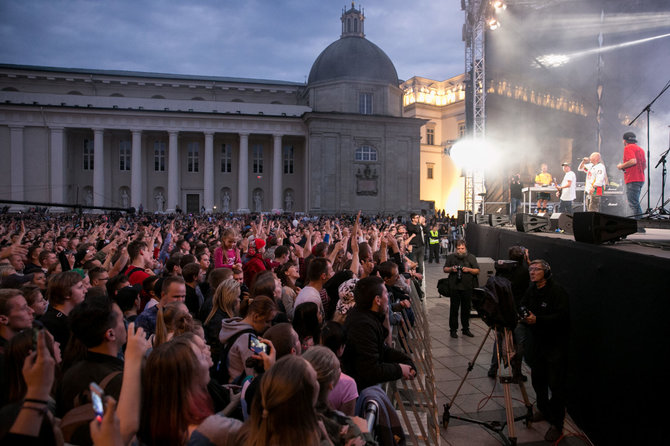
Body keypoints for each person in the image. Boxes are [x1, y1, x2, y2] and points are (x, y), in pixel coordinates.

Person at [519, 260, 570, 443]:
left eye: (536, 270)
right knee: (538, 379)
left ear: (546, 272)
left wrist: (537, 320)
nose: (532, 272)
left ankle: (557, 424)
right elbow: (522, 304)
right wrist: (524, 314)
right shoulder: (531, 289)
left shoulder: (557, 292)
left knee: (555, 385)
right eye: (530, 269)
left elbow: (562, 317)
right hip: (537, 344)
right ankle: (543, 409)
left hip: (555, 344)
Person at [340, 276, 416, 391]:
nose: (388, 298)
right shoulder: (362, 326)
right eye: (386, 294)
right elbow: (371, 370)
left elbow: (382, 349)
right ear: (377, 300)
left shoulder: (368, 316)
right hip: (361, 391)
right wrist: (400, 369)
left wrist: (406, 361)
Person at [443, 239, 480, 338]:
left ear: (466, 248)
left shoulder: (471, 257)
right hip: (454, 287)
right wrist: (452, 269)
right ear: (456, 248)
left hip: (467, 287)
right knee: (454, 309)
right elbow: (445, 269)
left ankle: (465, 329)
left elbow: (477, 270)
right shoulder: (451, 257)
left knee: (466, 309)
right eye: (458, 248)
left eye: (462, 248)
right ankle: (453, 330)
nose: (460, 250)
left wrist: (468, 269)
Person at [617, 131, 647, 221]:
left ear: (624, 140)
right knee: (635, 202)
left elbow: (633, 161)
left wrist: (621, 166)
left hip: (632, 179)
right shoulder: (640, 149)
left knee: (633, 203)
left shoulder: (628, 148)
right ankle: (639, 224)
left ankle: (639, 225)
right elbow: (644, 166)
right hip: (640, 178)